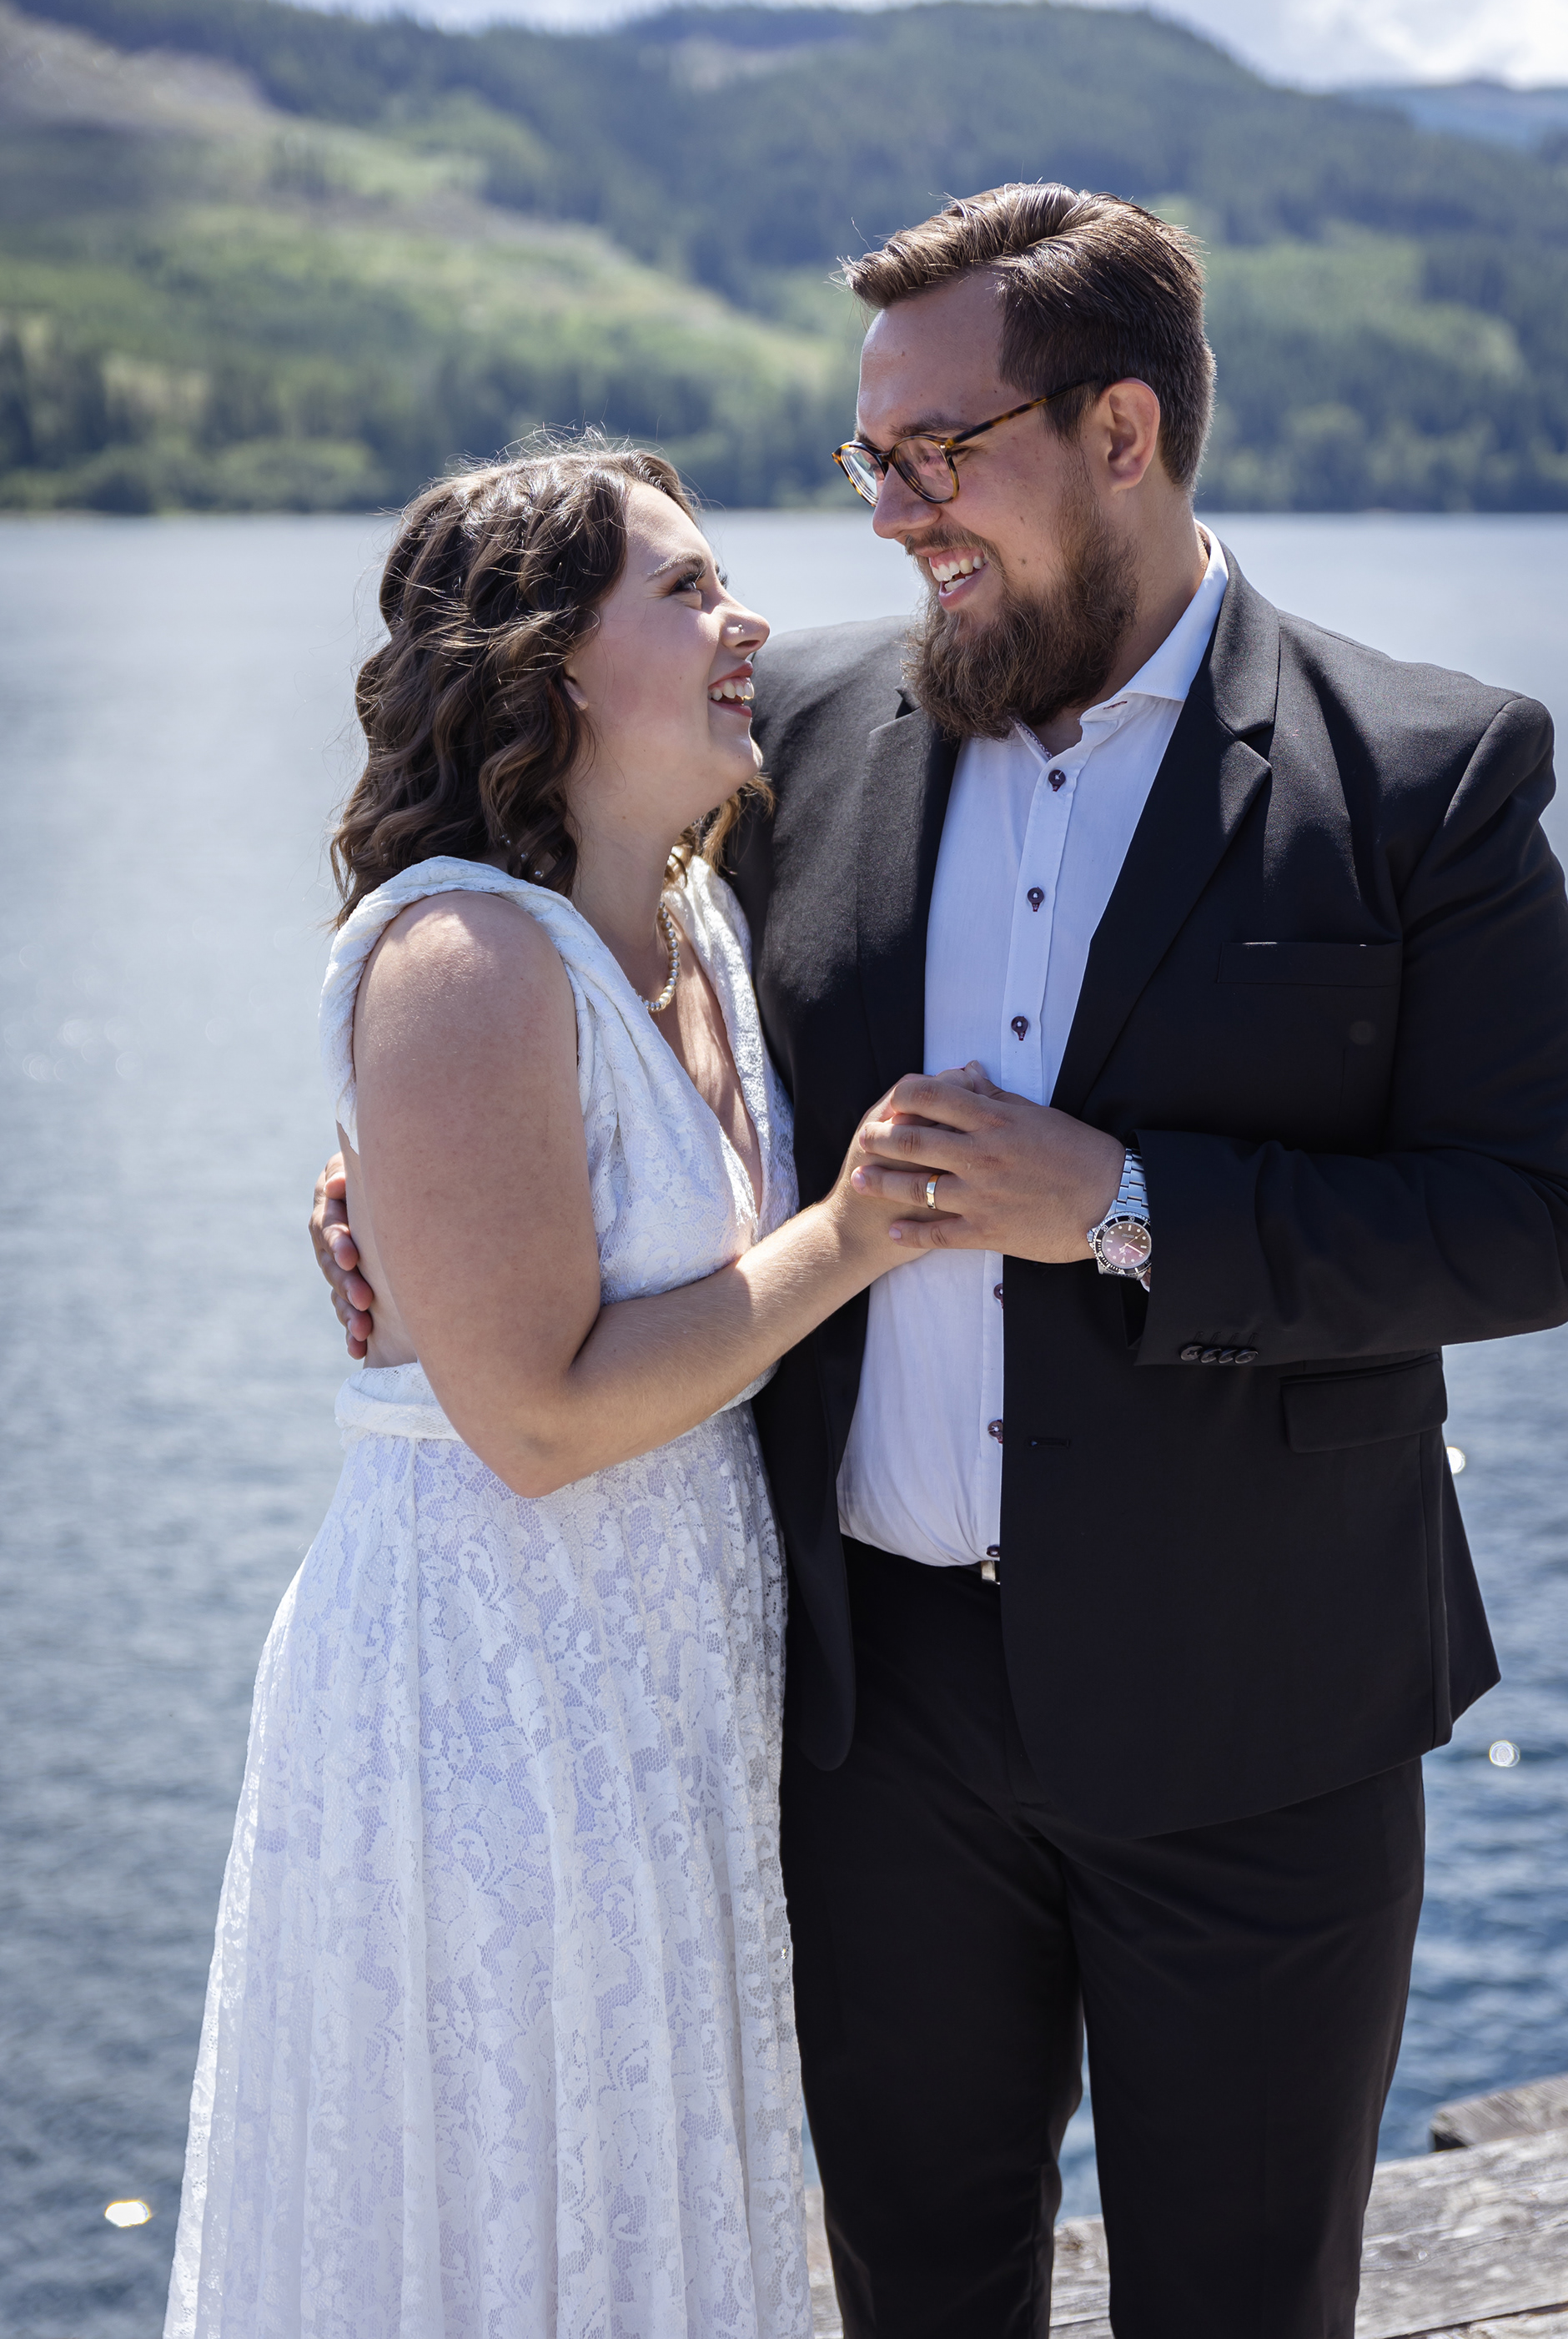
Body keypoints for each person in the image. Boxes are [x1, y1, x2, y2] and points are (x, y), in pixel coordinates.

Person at [315, 187, 1568, 2339]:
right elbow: (572, 976)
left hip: (1258, 1713)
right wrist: (397, 1182)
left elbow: (1532, 1221)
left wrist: (1125, 1202)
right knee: (912, 2299)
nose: (892, 511)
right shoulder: (796, 735)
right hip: (869, 1720)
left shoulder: (1423, 772)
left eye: (940, 452)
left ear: (1122, 431)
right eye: (871, 456)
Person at [168, 445, 922, 2339]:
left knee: (649, 2193)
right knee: (499, 2205)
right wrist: (862, 1228)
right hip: (490, 1699)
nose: (746, 620)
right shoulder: (464, 960)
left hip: (672, 1686)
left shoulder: (700, 921)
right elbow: (535, 1423)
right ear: (553, 662)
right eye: (687, 590)